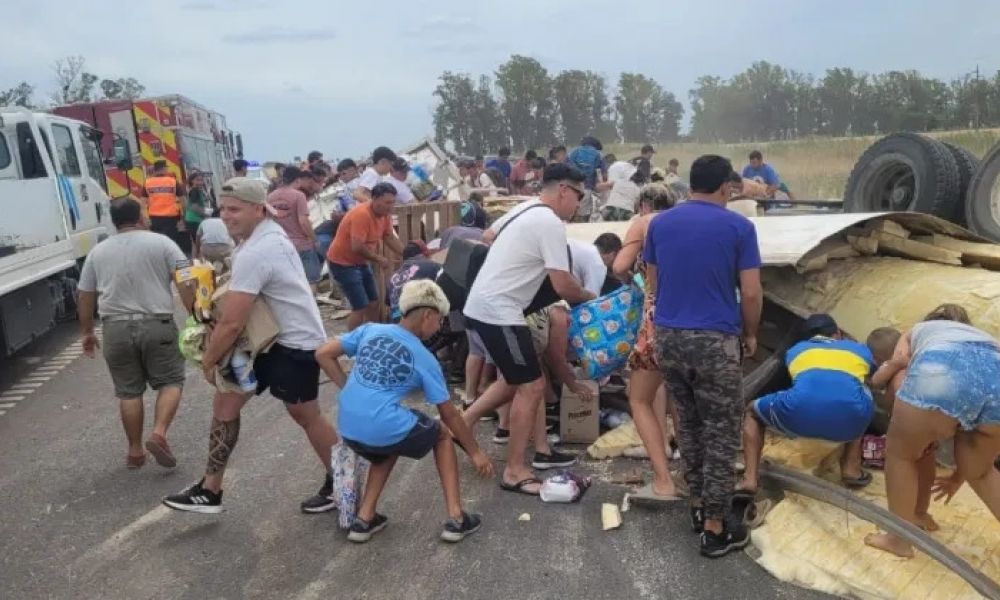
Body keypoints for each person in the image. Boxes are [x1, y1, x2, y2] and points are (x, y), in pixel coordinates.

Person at [163, 178, 339, 515]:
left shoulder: (259, 249)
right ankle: (210, 489)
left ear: (259, 209)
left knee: (305, 414)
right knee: (225, 404)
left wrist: (209, 359)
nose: (226, 216)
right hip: (264, 341)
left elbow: (231, 323)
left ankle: (344, 480)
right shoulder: (261, 237)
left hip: (292, 343)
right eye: (223, 209)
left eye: (235, 209)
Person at [645, 155, 763, 557]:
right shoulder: (739, 228)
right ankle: (715, 528)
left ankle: (698, 505)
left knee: (690, 425)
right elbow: (750, 292)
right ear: (726, 188)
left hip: (669, 338)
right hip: (715, 340)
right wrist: (750, 333)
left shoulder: (659, 223)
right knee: (722, 433)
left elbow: (652, 282)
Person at [315, 280, 493, 543]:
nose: (440, 326)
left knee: (392, 438)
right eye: (440, 320)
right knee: (441, 434)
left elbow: (323, 353)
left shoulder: (371, 329)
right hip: (380, 425)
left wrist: (347, 388)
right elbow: (450, 415)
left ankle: (364, 520)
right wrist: (475, 452)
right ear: (428, 315)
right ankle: (457, 519)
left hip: (349, 425)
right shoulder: (424, 358)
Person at [463, 164, 596, 495]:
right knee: (533, 385)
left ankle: (460, 424)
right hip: (500, 310)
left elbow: (488, 235)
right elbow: (563, 284)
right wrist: (591, 297)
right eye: (578, 197)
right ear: (564, 190)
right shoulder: (549, 221)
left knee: (516, 378)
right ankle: (515, 470)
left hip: (486, 303)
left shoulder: (525, 207)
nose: (577, 205)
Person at [864, 304, 1000, 558]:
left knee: (901, 455)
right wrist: (960, 476)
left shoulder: (917, 331)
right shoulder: (985, 340)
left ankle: (899, 540)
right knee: (982, 474)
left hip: (940, 373)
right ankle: (915, 518)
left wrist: (906, 427)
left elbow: (899, 373)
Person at [76, 197, 194, 469]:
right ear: (141, 216)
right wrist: (196, 317)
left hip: (115, 327)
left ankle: (135, 451)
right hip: (157, 324)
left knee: (128, 392)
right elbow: (186, 281)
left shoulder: (98, 251)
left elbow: (85, 295)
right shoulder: (164, 243)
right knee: (171, 381)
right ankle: (159, 433)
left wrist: (86, 332)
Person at [737, 314, 877, 510]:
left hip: (797, 415)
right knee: (858, 395)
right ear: (837, 333)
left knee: (751, 411)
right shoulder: (859, 349)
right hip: (850, 421)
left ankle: (750, 478)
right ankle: (851, 469)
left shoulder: (795, 351)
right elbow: (875, 378)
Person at [611, 183, 681, 503]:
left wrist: (635, 282)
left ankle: (664, 479)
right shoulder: (684, 221)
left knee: (639, 396)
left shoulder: (644, 222)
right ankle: (691, 471)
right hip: (693, 316)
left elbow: (619, 266)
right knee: (681, 394)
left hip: (657, 315)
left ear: (642, 205)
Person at [327, 182, 405, 331]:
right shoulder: (362, 214)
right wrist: (378, 259)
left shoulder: (385, 215)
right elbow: (357, 246)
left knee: (374, 302)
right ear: (375, 199)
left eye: (393, 202)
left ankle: (373, 335)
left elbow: (388, 237)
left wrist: (407, 254)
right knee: (360, 307)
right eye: (387, 202)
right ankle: (351, 346)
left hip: (361, 262)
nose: (391, 206)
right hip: (343, 263)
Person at [268, 167, 323, 292]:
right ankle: (310, 309)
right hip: (302, 246)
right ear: (298, 180)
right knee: (311, 281)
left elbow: (269, 221)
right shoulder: (299, 196)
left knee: (290, 284)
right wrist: (314, 240)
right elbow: (303, 221)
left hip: (281, 245)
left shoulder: (270, 197)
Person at [385, 242, 439, 321]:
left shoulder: (393, 277)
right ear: (422, 254)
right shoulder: (431, 265)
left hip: (397, 318)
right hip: (415, 318)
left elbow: (388, 303)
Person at [143, 160, 187, 244]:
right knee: (171, 242)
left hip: (154, 218)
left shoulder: (147, 183)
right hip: (171, 218)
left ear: (155, 170)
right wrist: (184, 217)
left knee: (158, 242)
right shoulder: (173, 181)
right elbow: (183, 201)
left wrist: (146, 219)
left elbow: (142, 204)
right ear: (164, 169)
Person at [567, 137, 605, 222]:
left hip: (571, 187)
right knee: (583, 214)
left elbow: (565, 167)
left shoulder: (572, 153)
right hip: (587, 187)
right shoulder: (598, 154)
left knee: (571, 212)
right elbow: (603, 174)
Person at [183, 172, 211, 243]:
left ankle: (195, 254)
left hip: (190, 220)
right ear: (192, 181)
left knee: (195, 244)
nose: (200, 182)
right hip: (195, 221)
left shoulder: (193, 190)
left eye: (201, 180)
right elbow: (193, 206)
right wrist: (206, 213)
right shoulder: (195, 191)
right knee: (201, 244)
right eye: (197, 180)